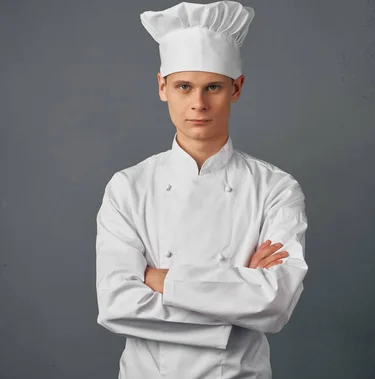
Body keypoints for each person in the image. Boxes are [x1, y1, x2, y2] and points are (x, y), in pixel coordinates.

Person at [95, 2, 308, 378]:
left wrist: (161, 279)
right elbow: (116, 304)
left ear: (236, 88)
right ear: (162, 87)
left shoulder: (275, 188)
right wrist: (235, 302)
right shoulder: (128, 188)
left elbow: (276, 303)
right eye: (184, 87)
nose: (198, 104)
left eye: (213, 87)